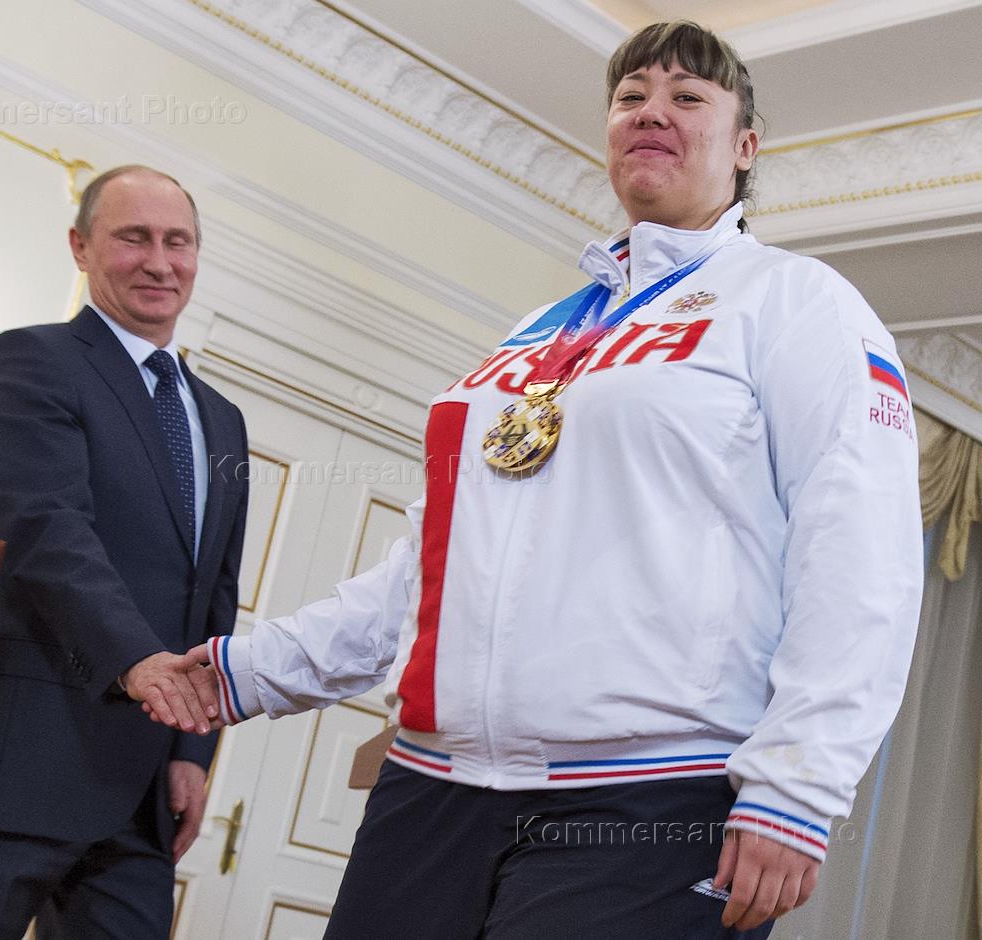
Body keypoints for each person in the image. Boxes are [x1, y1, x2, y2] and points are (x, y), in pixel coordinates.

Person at [181, 21, 923, 939]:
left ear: (745, 147)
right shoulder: (537, 331)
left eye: (688, 97)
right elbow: (434, 565)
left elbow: (861, 552)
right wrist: (246, 672)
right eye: (630, 96)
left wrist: (798, 786)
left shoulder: (798, 301)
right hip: (433, 784)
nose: (651, 110)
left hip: (654, 796)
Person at [0, 165, 249, 939]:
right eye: (134, 238)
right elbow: (46, 530)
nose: (160, 262)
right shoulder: (33, 361)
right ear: (80, 247)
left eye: (178, 241)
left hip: (144, 796)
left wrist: (193, 748)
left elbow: (214, 594)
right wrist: (138, 661)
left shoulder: (223, 421)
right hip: (9, 762)